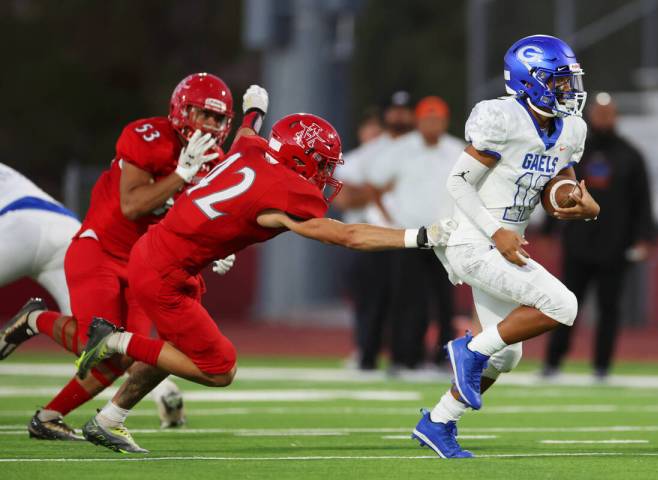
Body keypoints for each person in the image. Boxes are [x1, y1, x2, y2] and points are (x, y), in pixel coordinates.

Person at [71, 112, 456, 454]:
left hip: (161, 252)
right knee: (219, 368)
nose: (324, 173)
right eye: (320, 163)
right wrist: (418, 236)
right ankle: (113, 340)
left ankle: (108, 419)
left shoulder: (252, 150)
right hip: (164, 271)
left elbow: (245, 135)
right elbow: (347, 235)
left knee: (181, 345)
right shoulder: (286, 191)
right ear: (298, 157)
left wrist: (254, 112)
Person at [0, 74, 267, 440]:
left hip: (146, 265)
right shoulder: (147, 136)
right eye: (201, 114)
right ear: (180, 109)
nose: (208, 125)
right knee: (94, 343)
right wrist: (180, 175)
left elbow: (198, 212)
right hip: (101, 250)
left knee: (125, 356)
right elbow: (131, 205)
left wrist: (218, 248)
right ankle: (34, 320)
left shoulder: (213, 161)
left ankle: (48, 418)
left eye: (217, 119)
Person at [412, 34, 600, 458]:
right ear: (530, 81)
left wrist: (575, 201)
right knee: (563, 306)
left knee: (507, 357)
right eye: (559, 82)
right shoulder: (501, 118)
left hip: (506, 242)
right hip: (475, 240)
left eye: (571, 81)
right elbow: (458, 182)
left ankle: (438, 421)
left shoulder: (571, 126)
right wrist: (495, 231)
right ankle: (468, 349)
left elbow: (558, 184)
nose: (570, 91)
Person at [542, 92, 654, 379]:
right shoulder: (576, 152)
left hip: (615, 246)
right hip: (578, 243)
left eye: (609, 113)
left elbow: (642, 201)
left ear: (615, 116)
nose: (604, 118)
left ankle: (602, 367)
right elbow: (556, 188)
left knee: (609, 309)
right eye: (600, 113)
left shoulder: (631, 155)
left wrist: (644, 238)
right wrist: (549, 228)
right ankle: (552, 363)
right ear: (592, 115)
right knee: (565, 305)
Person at [367, 96, 465, 369]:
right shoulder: (401, 149)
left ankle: (443, 357)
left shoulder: (458, 150)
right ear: (418, 121)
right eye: (427, 119)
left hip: (445, 238)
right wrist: (389, 218)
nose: (432, 125)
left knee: (445, 302)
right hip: (409, 235)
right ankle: (404, 357)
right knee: (407, 299)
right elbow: (375, 184)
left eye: (437, 119)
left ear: (445, 122)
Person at [333, 91, 416, 370]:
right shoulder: (365, 155)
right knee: (370, 301)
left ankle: (404, 358)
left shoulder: (415, 151)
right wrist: (379, 190)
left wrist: (372, 189)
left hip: (406, 236)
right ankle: (366, 354)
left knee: (407, 303)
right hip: (368, 235)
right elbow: (342, 196)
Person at [0, 163, 79, 315]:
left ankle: (35, 321)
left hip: (21, 225)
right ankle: (36, 321)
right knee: (90, 331)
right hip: (69, 229)